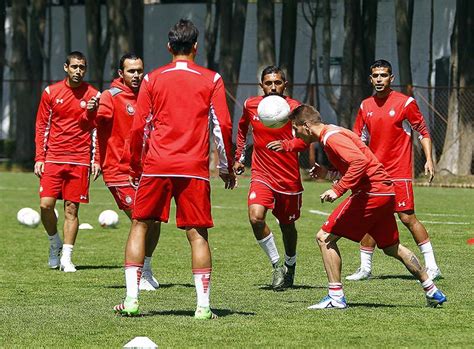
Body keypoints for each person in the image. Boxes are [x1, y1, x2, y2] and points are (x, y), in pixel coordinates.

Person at [113, 19, 235, 319]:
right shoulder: (212, 79)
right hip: (193, 168)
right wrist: (225, 165)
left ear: (169, 47)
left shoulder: (153, 79)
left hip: (156, 165)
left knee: (140, 225)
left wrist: (135, 165)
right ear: (196, 46)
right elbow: (224, 125)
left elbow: (140, 126)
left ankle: (131, 300)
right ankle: (203, 306)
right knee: (198, 234)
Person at [286, 104, 446, 309]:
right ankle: (432, 290)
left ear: (306, 126)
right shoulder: (336, 131)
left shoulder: (331, 138)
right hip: (385, 192)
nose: (295, 132)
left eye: (295, 128)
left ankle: (336, 297)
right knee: (392, 248)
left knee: (324, 237)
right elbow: (360, 165)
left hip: (372, 194)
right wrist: (328, 174)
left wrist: (338, 189)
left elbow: (359, 163)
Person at [347, 59, 441, 281]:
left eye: (384, 75)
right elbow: (357, 140)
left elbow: (423, 132)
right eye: (376, 76)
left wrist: (429, 159)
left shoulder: (405, 103)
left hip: (398, 173)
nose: (380, 79)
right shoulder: (365, 106)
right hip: (373, 174)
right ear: (370, 79)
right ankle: (365, 268)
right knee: (369, 217)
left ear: (392, 78)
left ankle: (432, 266)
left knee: (407, 218)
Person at [79, 53, 161, 291]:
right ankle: (137, 277)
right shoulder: (110, 96)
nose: (136, 75)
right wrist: (91, 111)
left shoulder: (148, 96)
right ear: (120, 73)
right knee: (141, 219)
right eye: (131, 71)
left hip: (146, 170)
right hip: (118, 172)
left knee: (154, 221)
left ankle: (146, 269)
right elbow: (90, 125)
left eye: (139, 71)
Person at [234, 66, 306, 290]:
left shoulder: (295, 109)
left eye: (277, 82)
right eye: (268, 83)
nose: (273, 87)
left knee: (287, 226)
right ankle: (277, 266)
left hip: (288, 178)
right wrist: (239, 157)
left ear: (285, 84)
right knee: (256, 218)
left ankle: (290, 264)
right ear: (261, 85)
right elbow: (242, 129)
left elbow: (308, 138)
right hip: (261, 174)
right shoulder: (251, 105)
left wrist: (287, 145)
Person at [34, 51, 100, 272]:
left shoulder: (93, 95)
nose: (78, 71)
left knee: (71, 210)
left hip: (79, 160)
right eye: (74, 67)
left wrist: (96, 159)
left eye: (82, 67)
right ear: (66, 67)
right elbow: (42, 126)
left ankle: (67, 258)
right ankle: (55, 243)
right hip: (53, 158)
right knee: (45, 206)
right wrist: (39, 158)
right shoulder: (51, 93)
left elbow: (98, 130)